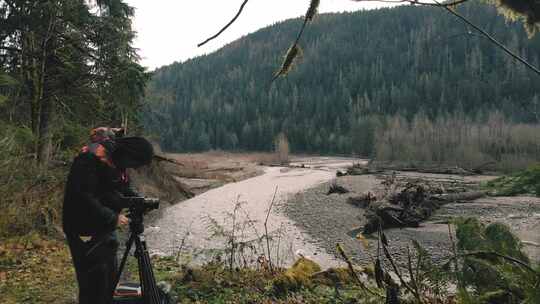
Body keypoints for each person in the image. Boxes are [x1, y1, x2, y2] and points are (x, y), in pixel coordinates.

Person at [62, 128, 154, 304]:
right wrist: (113, 217)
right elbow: (83, 196)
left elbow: (121, 187)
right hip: (83, 229)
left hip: (102, 228)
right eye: (136, 162)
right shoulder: (90, 157)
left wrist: (137, 201)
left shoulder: (117, 160)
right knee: (92, 283)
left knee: (108, 281)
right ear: (130, 154)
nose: (134, 167)